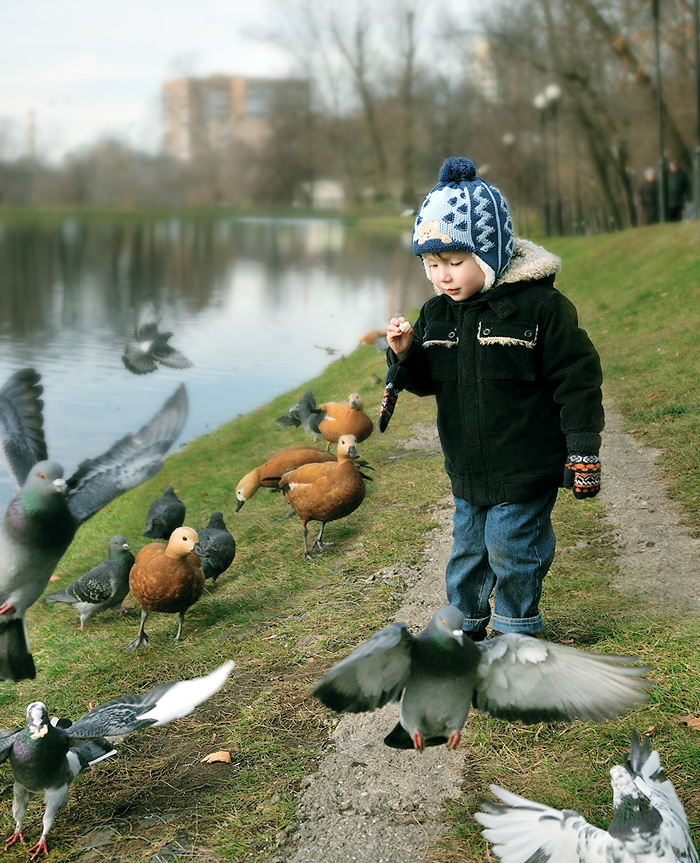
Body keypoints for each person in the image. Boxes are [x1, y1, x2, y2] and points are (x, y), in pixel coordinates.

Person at [385, 156, 604, 639]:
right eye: (432, 264)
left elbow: (579, 378)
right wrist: (404, 355)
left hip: (526, 463)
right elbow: (426, 380)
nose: (442, 276)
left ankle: (515, 628)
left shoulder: (541, 308)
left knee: (512, 546)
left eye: (456, 263)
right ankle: (463, 626)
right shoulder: (436, 313)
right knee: (467, 548)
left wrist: (583, 448)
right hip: (468, 464)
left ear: (490, 254)